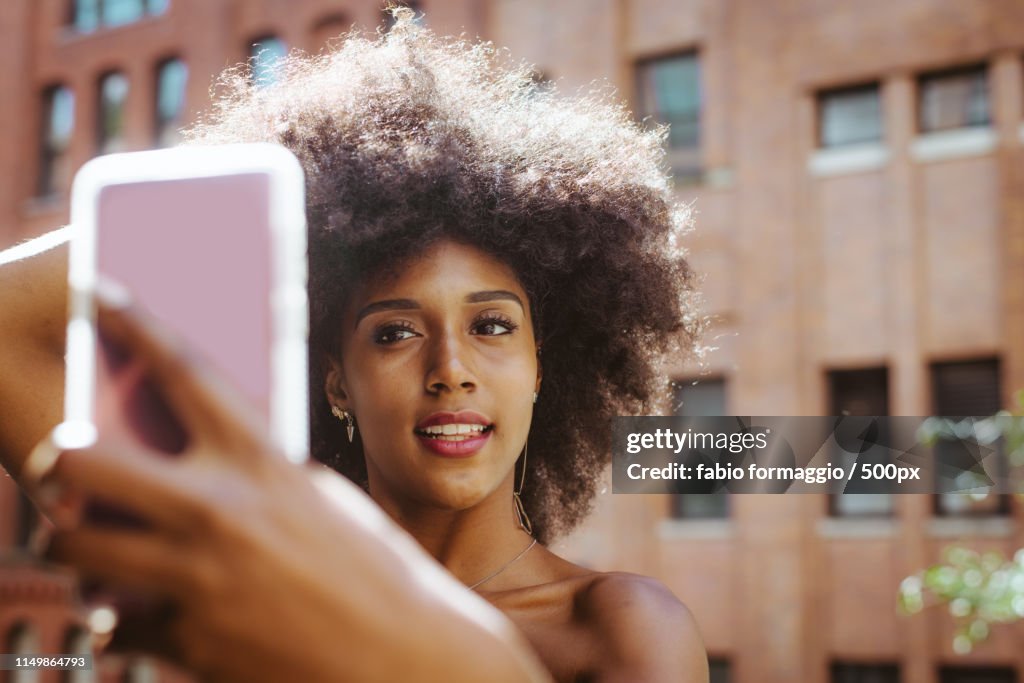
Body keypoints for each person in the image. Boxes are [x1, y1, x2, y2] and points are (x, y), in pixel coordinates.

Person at [0, 10, 708, 682]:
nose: (451, 371)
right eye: (395, 332)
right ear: (337, 381)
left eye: (491, 326)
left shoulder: (621, 624)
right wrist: (285, 204)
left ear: (539, 368)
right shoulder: (243, 581)